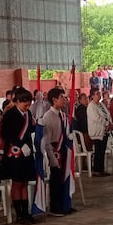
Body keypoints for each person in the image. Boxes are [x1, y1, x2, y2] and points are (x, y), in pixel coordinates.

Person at [0, 89, 36, 224]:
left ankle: (26, 213)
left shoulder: (28, 114)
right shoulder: (10, 114)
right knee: (17, 183)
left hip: (26, 152)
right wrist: (20, 144)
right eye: (25, 105)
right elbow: (6, 134)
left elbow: (28, 130)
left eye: (29, 105)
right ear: (18, 101)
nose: (27, 107)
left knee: (25, 182)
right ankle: (19, 214)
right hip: (14, 153)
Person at [42, 87, 75, 215]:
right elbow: (47, 139)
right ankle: (55, 206)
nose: (65, 100)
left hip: (64, 149)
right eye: (62, 97)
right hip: (54, 149)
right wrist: (51, 156)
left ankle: (65, 203)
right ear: (54, 100)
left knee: (64, 177)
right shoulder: (48, 116)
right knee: (55, 179)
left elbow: (66, 132)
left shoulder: (63, 115)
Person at [87, 88, 112, 177]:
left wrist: (110, 122)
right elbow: (96, 118)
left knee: (102, 151)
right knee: (98, 151)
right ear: (92, 96)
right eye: (97, 94)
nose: (99, 95)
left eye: (99, 93)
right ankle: (97, 170)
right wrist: (106, 123)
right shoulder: (91, 106)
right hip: (97, 132)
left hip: (104, 131)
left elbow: (107, 114)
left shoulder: (101, 105)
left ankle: (101, 169)